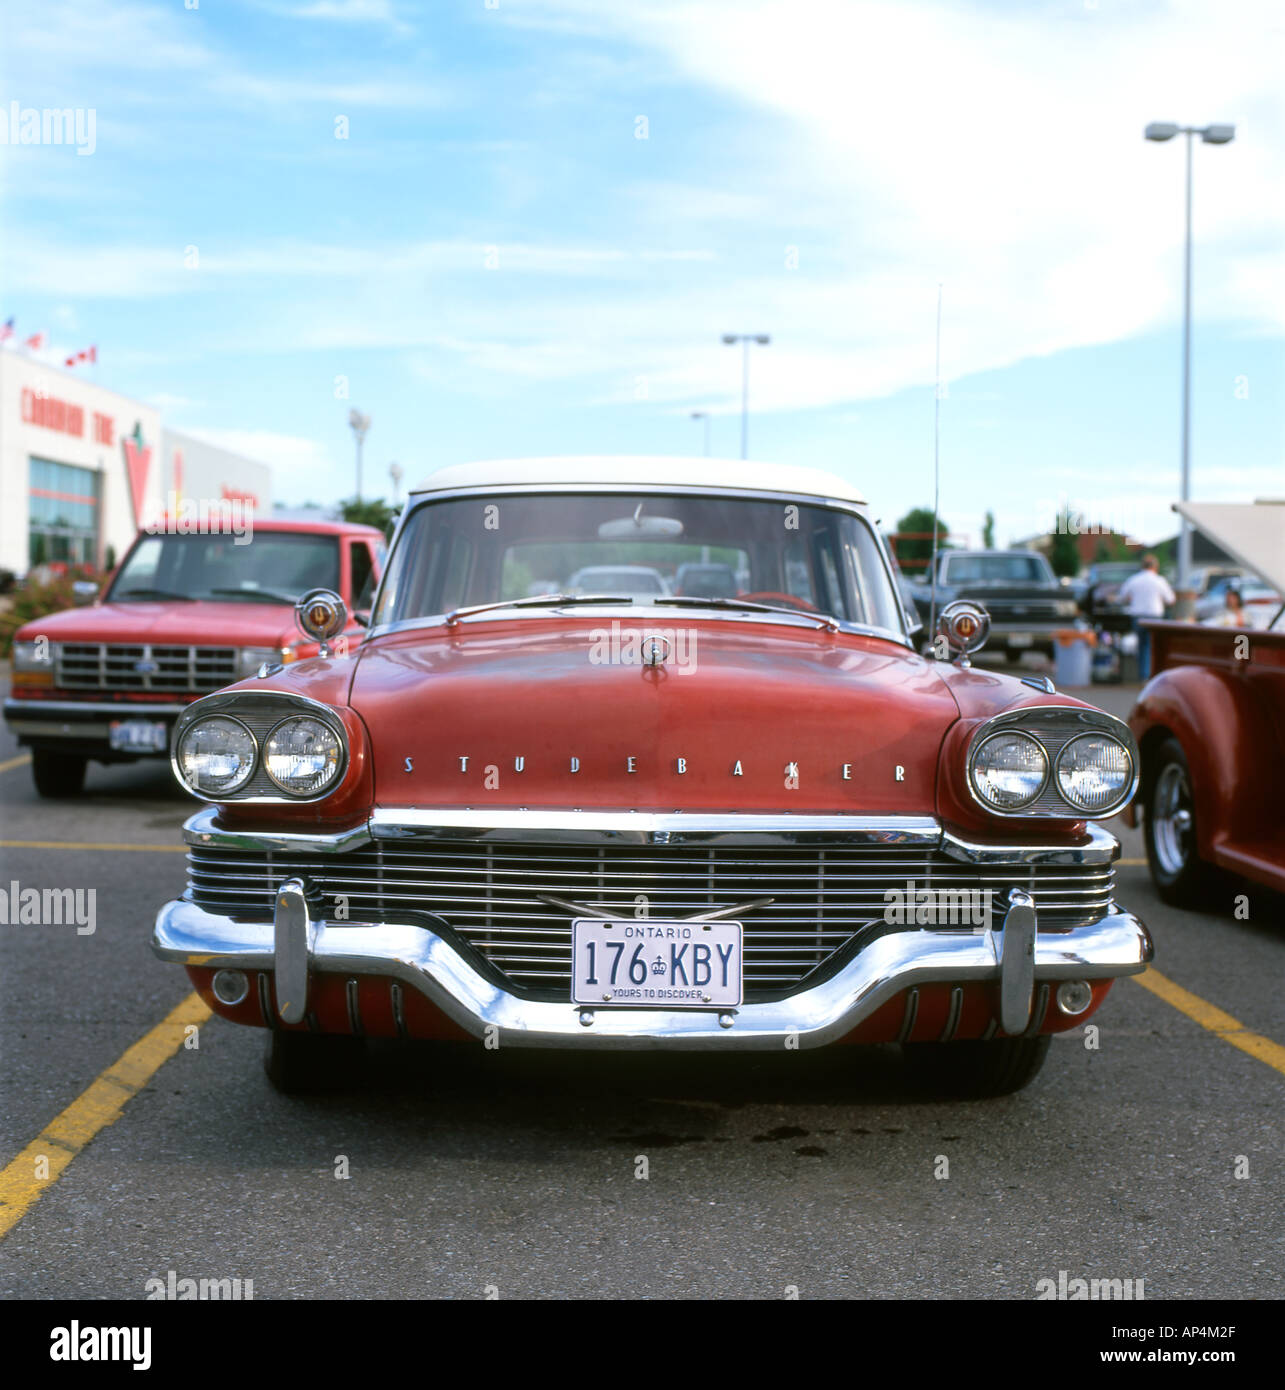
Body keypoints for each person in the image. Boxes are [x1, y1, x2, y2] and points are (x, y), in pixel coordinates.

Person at [1117, 554, 1175, 682]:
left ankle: (1143, 674)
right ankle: (1150, 675)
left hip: (1137, 616)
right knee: (1152, 646)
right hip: (1154, 617)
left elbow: (1122, 598)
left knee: (1141, 645)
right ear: (1155, 566)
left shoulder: (1133, 580)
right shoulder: (1159, 580)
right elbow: (1171, 600)